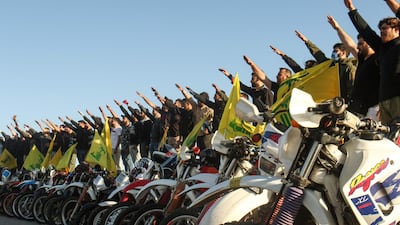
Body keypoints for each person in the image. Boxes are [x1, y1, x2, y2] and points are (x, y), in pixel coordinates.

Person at [344, 0, 400, 124]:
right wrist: (352, 11)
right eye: (380, 29)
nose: (381, 31)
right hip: (384, 103)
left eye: (385, 28)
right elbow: (366, 31)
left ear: (397, 29)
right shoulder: (382, 48)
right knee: (387, 140)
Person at [327, 15, 380, 120]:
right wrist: (338, 29)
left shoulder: (379, 59)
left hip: (374, 109)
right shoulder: (362, 60)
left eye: (361, 44)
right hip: (357, 108)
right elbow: (350, 45)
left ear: (369, 44)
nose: (358, 46)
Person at [295, 30, 357, 103]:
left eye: (336, 51)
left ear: (343, 52)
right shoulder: (330, 65)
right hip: (331, 102)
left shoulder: (349, 67)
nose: (333, 53)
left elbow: (352, 86)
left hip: (344, 102)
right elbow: (318, 54)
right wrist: (306, 41)